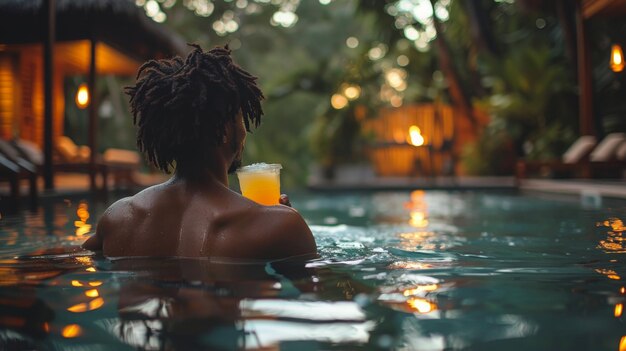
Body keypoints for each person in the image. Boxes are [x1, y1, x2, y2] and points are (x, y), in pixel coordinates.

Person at [82, 44, 317, 260]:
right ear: (225, 130)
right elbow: (313, 295)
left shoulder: (120, 217)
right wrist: (277, 223)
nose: (244, 130)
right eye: (240, 118)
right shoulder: (282, 226)